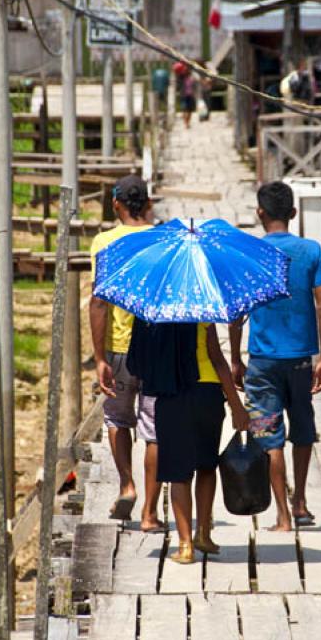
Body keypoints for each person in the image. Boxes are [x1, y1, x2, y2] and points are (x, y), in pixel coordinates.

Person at [229, 181, 321, 531]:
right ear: (293, 214)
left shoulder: (250, 253)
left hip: (262, 361)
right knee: (303, 432)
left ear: (260, 213)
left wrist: (234, 359)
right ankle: (301, 502)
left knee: (269, 437)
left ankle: (283, 517)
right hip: (302, 360)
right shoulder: (311, 251)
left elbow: (235, 313)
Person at [127, 320, 250, 563]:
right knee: (206, 466)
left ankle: (185, 546)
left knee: (178, 474)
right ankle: (203, 533)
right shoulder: (202, 313)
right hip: (208, 393)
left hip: (171, 395)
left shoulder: (152, 316)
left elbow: (136, 364)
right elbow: (216, 360)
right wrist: (236, 405)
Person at [89, 175, 162, 531]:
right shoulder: (163, 240)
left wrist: (100, 357)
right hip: (157, 347)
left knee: (117, 419)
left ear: (116, 204)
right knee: (154, 429)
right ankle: (151, 512)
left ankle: (127, 484)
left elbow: (99, 302)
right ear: (147, 204)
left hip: (119, 348)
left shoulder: (105, 242)